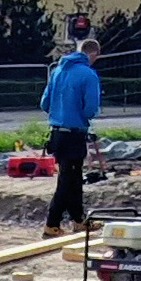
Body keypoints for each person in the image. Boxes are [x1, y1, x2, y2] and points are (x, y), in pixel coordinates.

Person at [40, 41, 104, 233]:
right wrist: (83, 115)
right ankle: (52, 223)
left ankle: (79, 220)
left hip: (56, 132)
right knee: (67, 180)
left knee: (74, 177)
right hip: (74, 133)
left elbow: (44, 103)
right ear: (93, 54)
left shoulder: (58, 71)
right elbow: (91, 108)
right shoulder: (88, 74)